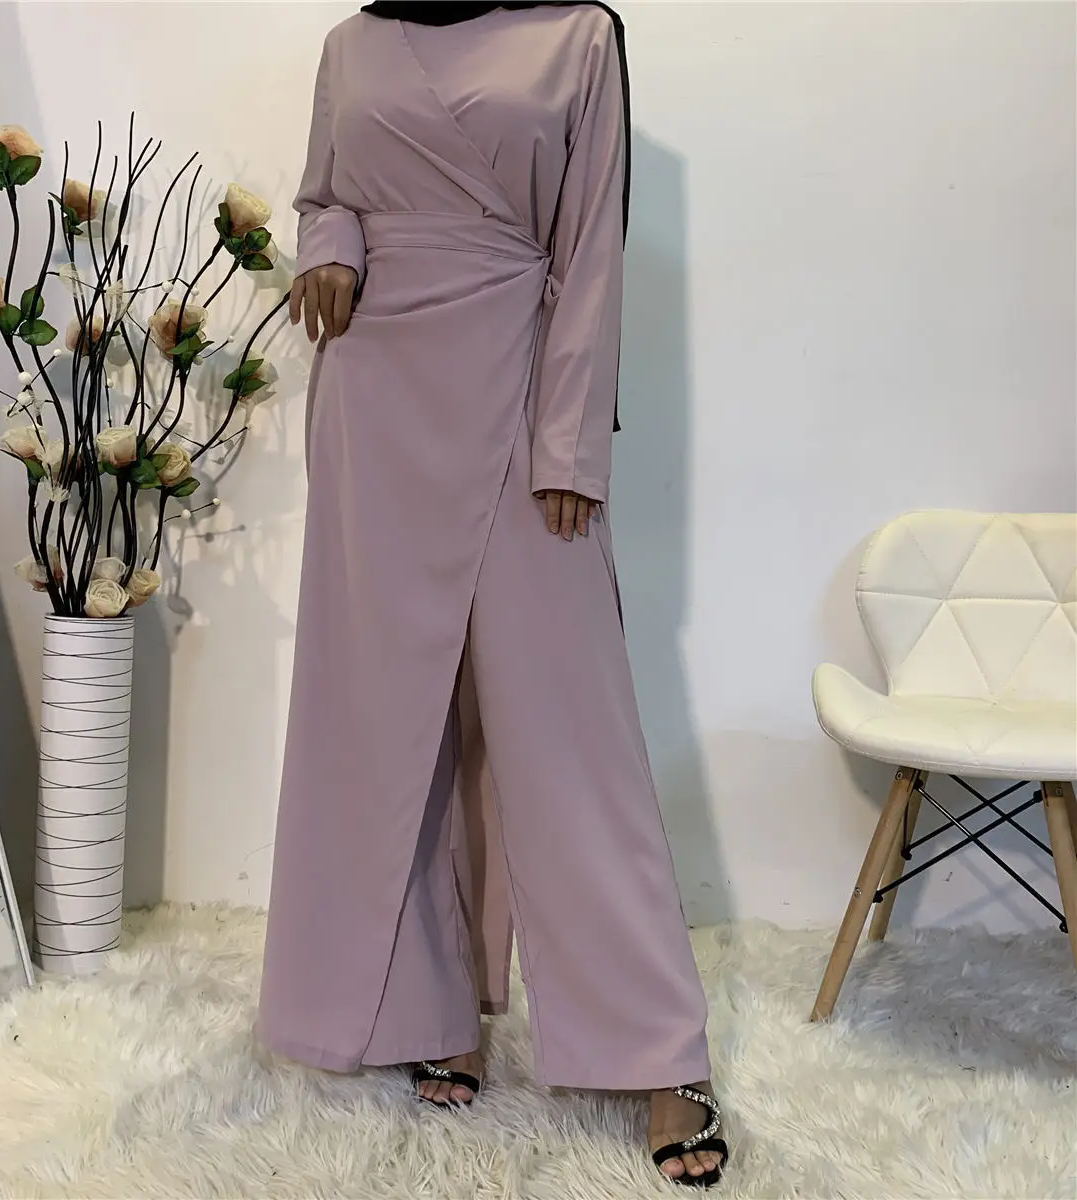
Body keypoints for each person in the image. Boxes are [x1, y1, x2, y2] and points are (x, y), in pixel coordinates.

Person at [257, 0, 728, 1186]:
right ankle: (435, 1010)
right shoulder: (351, 45)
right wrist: (330, 247)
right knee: (388, 721)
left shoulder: (579, 36)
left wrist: (569, 443)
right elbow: (323, 195)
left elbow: (591, 246)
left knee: (569, 731)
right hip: (374, 395)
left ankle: (659, 1053)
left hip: (518, 385)